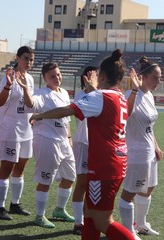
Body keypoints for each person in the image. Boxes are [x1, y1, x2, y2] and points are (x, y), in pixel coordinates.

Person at [30, 49, 139, 240]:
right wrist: (93, 90)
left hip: (105, 165)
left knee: (103, 220)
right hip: (115, 162)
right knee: (89, 214)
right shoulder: (119, 96)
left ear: (102, 75)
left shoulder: (102, 96)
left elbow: (67, 110)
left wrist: (40, 115)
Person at [17, 62, 76, 228]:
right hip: (47, 140)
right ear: (45, 79)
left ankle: (59, 209)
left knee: (70, 176)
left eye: (58, 74)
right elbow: (30, 104)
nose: (57, 78)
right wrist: (25, 90)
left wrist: (69, 136)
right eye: (52, 76)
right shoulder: (42, 94)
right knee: (45, 180)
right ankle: (40, 215)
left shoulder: (64, 92)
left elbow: (67, 118)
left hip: (64, 141)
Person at [119, 56, 162, 238]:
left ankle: (141, 224)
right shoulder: (132, 95)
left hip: (149, 151)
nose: (158, 81)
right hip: (136, 152)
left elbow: (149, 126)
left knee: (149, 187)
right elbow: (126, 115)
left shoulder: (150, 96)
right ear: (142, 77)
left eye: (159, 78)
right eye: (155, 77)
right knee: (130, 193)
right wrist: (135, 91)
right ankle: (128, 231)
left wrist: (156, 146)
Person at [0, 46, 35, 220]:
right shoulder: (8, 76)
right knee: (6, 168)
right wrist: (9, 85)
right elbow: (1, 102)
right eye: (26, 58)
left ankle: (15, 204)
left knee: (20, 168)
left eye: (31, 59)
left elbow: (30, 104)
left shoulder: (31, 79)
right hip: (11, 130)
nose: (29, 62)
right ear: (17, 58)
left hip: (26, 130)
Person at [71, 66, 98, 235]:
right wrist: (91, 89)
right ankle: (78, 222)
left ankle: (90, 219)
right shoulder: (81, 96)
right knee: (82, 183)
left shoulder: (100, 94)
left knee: (94, 185)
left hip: (98, 145)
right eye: (96, 74)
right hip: (83, 144)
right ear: (87, 77)